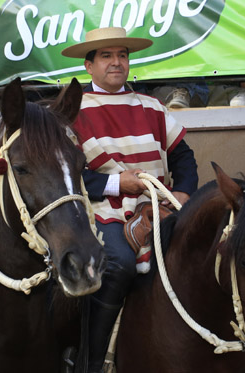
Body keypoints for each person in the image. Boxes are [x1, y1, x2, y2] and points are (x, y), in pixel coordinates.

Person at [61, 27, 198, 372]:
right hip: (99, 211)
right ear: (88, 66)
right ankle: (88, 361)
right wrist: (116, 183)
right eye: (106, 56)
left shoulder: (152, 106)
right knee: (119, 261)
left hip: (159, 208)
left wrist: (182, 193)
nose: (116, 62)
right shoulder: (71, 111)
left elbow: (184, 157)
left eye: (121, 55)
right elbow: (67, 175)